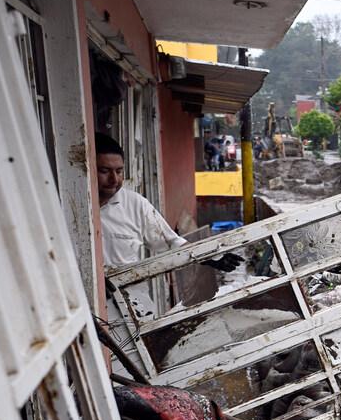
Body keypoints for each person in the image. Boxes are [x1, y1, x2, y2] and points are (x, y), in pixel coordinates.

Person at [97, 134, 240, 320]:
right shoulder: (67, 207)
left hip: (132, 308)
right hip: (83, 308)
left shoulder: (134, 204)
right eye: (104, 171)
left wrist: (210, 257)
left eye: (119, 171)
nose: (114, 179)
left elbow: (171, 242)